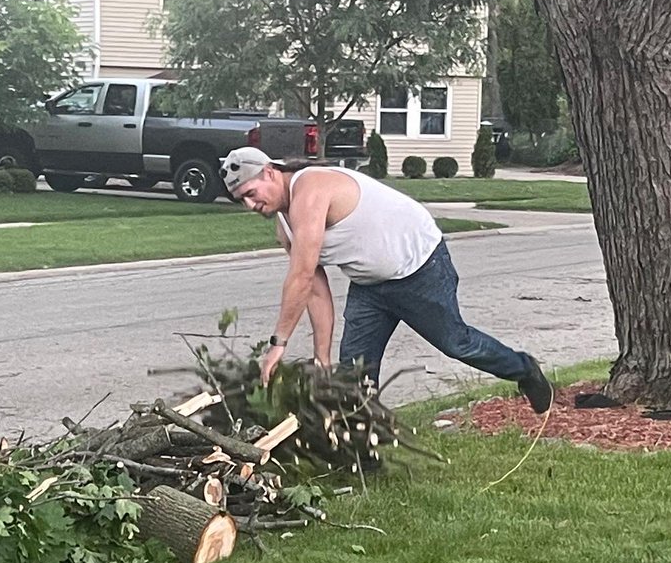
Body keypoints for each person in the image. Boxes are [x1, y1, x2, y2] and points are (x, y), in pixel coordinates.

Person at [218, 147, 552, 412]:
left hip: (420, 269)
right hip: (369, 288)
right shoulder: (285, 226)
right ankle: (364, 455)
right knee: (354, 378)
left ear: (269, 172)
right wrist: (322, 357)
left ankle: (524, 370)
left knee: (456, 343)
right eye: (242, 200)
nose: (249, 204)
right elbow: (315, 293)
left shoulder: (311, 187)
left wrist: (279, 344)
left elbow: (300, 276)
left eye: (250, 192)